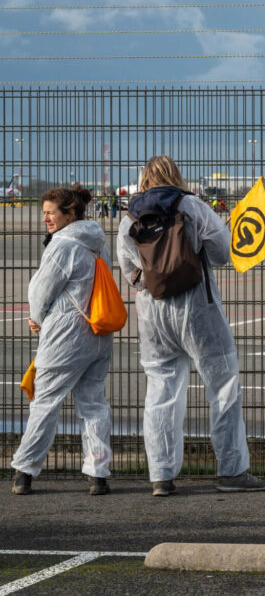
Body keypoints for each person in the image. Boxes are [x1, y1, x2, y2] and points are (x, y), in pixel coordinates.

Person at [117, 155, 265, 496]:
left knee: (161, 391)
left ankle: (161, 475)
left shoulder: (129, 218)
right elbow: (222, 252)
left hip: (152, 312)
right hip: (197, 306)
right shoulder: (192, 206)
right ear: (176, 176)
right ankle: (232, 471)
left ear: (144, 180)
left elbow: (130, 272)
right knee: (223, 385)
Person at [11, 186, 114, 496]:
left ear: (70, 214)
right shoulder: (97, 242)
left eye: (51, 213)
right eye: (44, 213)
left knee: (45, 402)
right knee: (94, 405)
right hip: (98, 332)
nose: (46, 218)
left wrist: (37, 318)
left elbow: (41, 289)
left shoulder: (63, 244)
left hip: (65, 336)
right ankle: (98, 474)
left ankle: (25, 471)